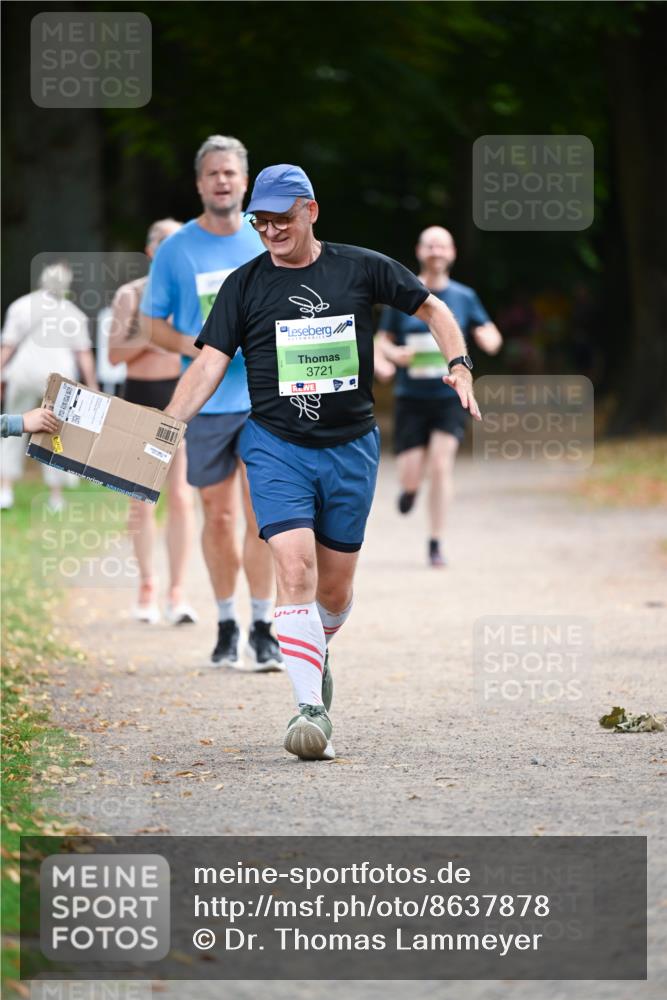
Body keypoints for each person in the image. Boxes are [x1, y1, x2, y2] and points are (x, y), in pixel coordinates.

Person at [163, 164, 481, 762]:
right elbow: (207, 362)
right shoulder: (245, 284)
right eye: (261, 221)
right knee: (295, 566)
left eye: (282, 218)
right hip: (274, 444)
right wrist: (168, 426)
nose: (270, 230)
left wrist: (460, 363)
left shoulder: (361, 267)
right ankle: (310, 710)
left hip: (351, 448)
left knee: (333, 590)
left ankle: (317, 644)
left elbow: (434, 310)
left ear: (311, 210)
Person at [139, 136, 282, 671]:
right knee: (217, 517)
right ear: (200, 184)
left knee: (262, 516)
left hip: (267, 400)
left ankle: (264, 627)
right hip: (207, 402)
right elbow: (152, 326)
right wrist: (205, 347)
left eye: (231, 173)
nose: (222, 181)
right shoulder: (178, 249)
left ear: (245, 183)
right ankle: (226, 623)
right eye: (212, 174)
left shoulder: (267, 237)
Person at [375, 227, 501, 567]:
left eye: (442, 245)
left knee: (442, 466)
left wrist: (489, 337)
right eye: (430, 245)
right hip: (411, 397)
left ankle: (435, 542)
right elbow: (381, 340)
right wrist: (391, 354)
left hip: (449, 397)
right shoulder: (404, 292)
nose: (436, 251)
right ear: (419, 250)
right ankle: (411, 489)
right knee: (412, 473)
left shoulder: (464, 296)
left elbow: (487, 329)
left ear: (453, 252)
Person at [108, 218, 197, 626]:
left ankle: (177, 591)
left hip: (180, 398)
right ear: (149, 250)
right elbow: (114, 355)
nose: (168, 248)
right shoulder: (132, 294)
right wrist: (154, 333)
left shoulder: (192, 293)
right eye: (161, 241)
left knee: (180, 497)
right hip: (140, 400)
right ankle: (146, 586)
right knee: (140, 499)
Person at [0, 262, 98, 511]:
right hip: (58, 380)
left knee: (11, 427)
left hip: (22, 373)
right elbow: (84, 355)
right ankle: (55, 495)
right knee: (55, 435)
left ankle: (5, 490)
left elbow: (8, 347)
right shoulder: (73, 313)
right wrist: (94, 387)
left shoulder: (21, 306)